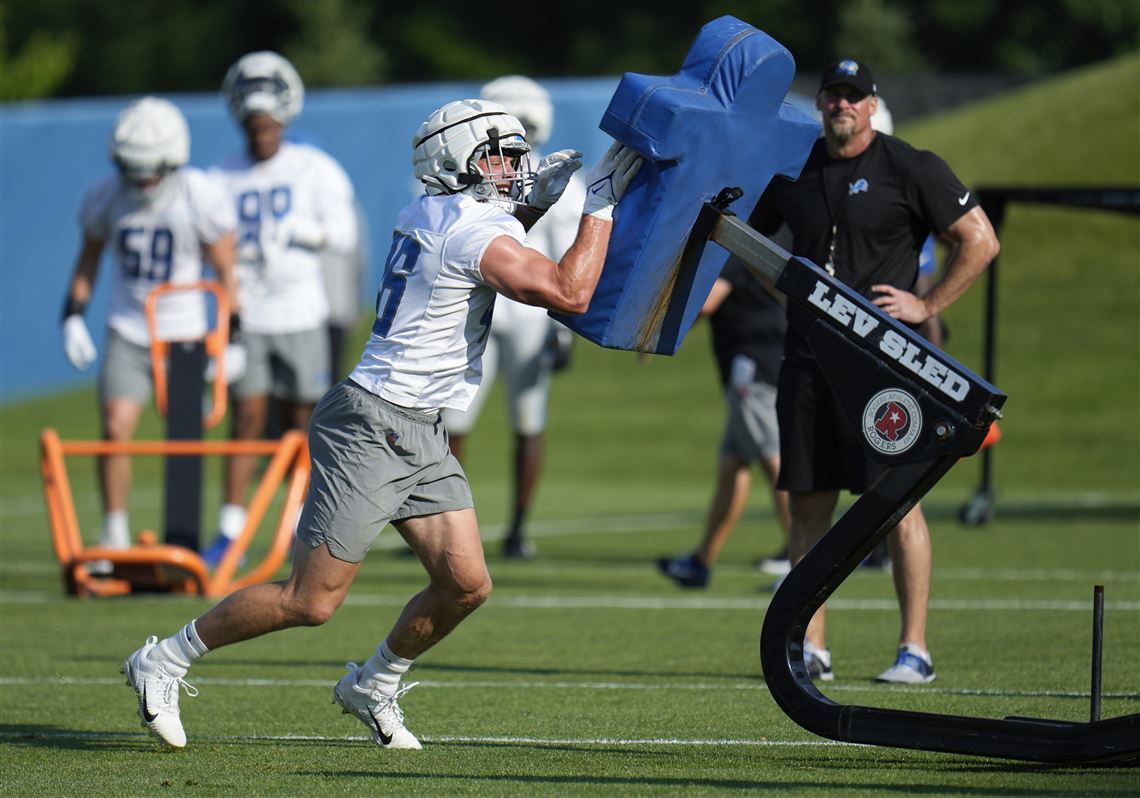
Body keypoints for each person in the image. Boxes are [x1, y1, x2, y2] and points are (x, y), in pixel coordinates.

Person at [120, 97, 643, 750]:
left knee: (465, 584)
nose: (513, 167)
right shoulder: (469, 227)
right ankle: (163, 659)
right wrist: (598, 202)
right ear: (458, 160)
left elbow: (487, 237)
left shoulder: (434, 210)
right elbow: (569, 291)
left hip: (418, 424)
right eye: (500, 156)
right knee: (309, 601)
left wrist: (532, 204)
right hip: (372, 423)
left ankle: (373, 682)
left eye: (514, 156)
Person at [752, 59, 999, 684]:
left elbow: (980, 240)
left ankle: (913, 650)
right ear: (822, 106)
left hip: (887, 368)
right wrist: (787, 292)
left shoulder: (910, 166)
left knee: (897, 506)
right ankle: (812, 648)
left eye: (853, 97)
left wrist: (928, 303)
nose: (841, 105)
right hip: (808, 358)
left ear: (871, 106)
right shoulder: (795, 169)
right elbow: (750, 242)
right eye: (834, 95)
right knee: (809, 505)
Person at [60, 96, 240, 572]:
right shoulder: (105, 195)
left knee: (184, 443)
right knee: (116, 427)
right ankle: (114, 530)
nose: (141, 182)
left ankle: (182, 543)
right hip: (128, 327)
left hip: (183, 332)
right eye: (132, 171)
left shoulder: (197, 193)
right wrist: (72, 314)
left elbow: (226, 270)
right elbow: (88, 260)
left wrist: (232, 338)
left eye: (149, 171)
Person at [202, 51, 359, 566]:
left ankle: (299, 522)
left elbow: (344, 235)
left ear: (284, 118)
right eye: (253, 123)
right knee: (245, 418)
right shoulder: (220, 175)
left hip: (300, 311)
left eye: (268, 123)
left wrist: (302, 233)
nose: (261, 132)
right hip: (246, 313)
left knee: (303, 419)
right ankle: (231, 526)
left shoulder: (313, 168)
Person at [441, 75, 586, 560]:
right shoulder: (476, 177)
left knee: (527, 416)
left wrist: (563, 330)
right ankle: (446, 525)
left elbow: (569, 255)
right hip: (483, 303)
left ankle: (518, 529)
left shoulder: (559, 178)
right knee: (453, 417)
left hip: (529, 310)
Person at [656, 255, 790, 588]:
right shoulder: (752, 246)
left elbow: (708, 302)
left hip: (755, 367)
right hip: (756, 363)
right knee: (733, 463)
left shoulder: (733, 249)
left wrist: (654, 327)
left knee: (775, 462)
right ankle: (702, 561)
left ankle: (807, 559)